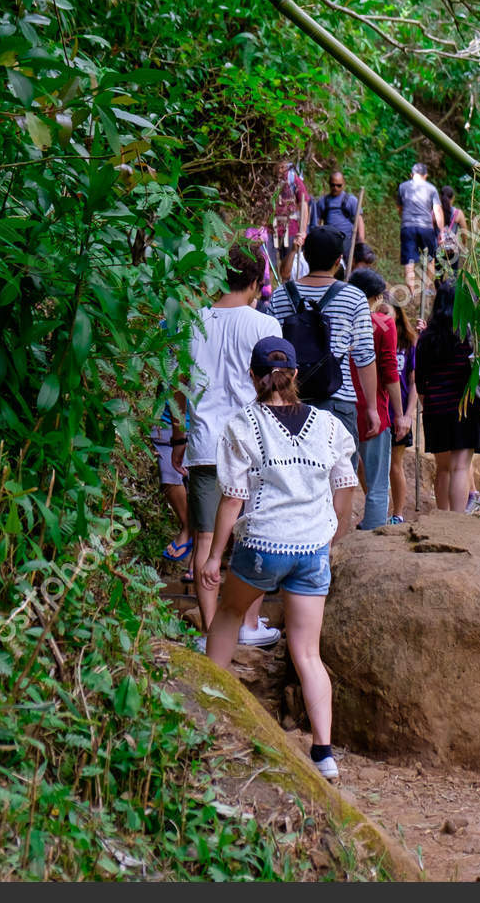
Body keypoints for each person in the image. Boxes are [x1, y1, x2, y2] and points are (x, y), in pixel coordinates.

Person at [201, 337, 359, 780]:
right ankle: (324, 753)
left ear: (253, 376)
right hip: (311, 550)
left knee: (229, 615)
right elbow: (345, 483)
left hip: (263, 548)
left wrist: (215, 558)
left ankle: (207, 708)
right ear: (294, 376)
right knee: (308, 652)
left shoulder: (242, 424)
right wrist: (333, 534)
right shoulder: (329, 425)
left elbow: (233, 498)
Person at [174, 245, 283, 647]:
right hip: (251, 444)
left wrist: (179, 437)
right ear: (255, 282)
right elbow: (275, 387)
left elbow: (178, 385)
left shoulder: (193, 321)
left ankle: (208, 630)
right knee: (250, 536)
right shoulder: (264, 325)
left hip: (204, 443)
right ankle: (247, 625)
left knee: (205, 540)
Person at [268, 226, 380, 443]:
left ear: (306, 256)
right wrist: (372, 408)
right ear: (339, 260)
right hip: (337, 403)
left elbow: (271, 350)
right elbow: (364, 356)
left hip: (290, 403)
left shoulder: (281, 295)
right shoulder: (354, 297)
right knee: (340, 476)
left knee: (295, 475)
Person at [415, 280, 480, 512]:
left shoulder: (427, 337)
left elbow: (420, 380)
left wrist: (428, 405)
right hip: (464, 407)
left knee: (443, 468)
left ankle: (443, 517)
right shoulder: (473, 337)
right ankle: (457, 523)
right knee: (459, 467)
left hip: (436, 408)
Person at [347, 268, 406, 529]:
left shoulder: (333, 320)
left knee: (338, 479)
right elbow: (390, 371)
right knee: (377, 482)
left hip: (338, 408)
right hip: (374, 411)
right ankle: (373, 536)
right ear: (375, 298)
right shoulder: (383, 324)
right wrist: (400, 414)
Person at [387, 302, 419, 523]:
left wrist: (408, 414)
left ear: (398, 314)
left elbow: (414, 381)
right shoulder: (372, 337)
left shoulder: (408, 344)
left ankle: (398, 514)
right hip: (380, 411)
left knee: (394, 464)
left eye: (387, 312)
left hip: (399, 412)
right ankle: (377, 507)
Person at [150, 404, 192, 561]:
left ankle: (207, 543)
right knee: (169, 474)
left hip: (204, 422)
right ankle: (188, 527)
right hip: (166, 424)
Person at [397, 162, 442, 295]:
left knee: (409, 260)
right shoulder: (431, 189)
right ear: (425, 175)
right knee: (430, 258)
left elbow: (400, 208)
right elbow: (438, 211)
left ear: (412, 175)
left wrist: (405, 219)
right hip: (426, 228)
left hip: (408, 227)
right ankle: (427, 288)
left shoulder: (402, 187)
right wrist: (441, 231)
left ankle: (411, 292)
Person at [311, 171, 364, 265]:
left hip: (347, 241)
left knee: (348, 267)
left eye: (339, 185)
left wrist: (361, 240)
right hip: (329, 241)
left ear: (344, 185)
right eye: (333, 185)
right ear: (329, 184)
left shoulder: (351, 200)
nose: (335, 188)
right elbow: (317, 222)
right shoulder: (323, 201)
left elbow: (359, 220)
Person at [271, 159, 310, 282]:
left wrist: (302, 231)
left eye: (284, 167)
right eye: (279, 166)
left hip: (291, 228)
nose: (281, 170)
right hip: (271, 228)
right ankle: (267, 294)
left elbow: (303, 204)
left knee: (288, 266)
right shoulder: (267, 182)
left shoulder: (294, 180)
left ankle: (286, 293)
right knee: (270, 264)